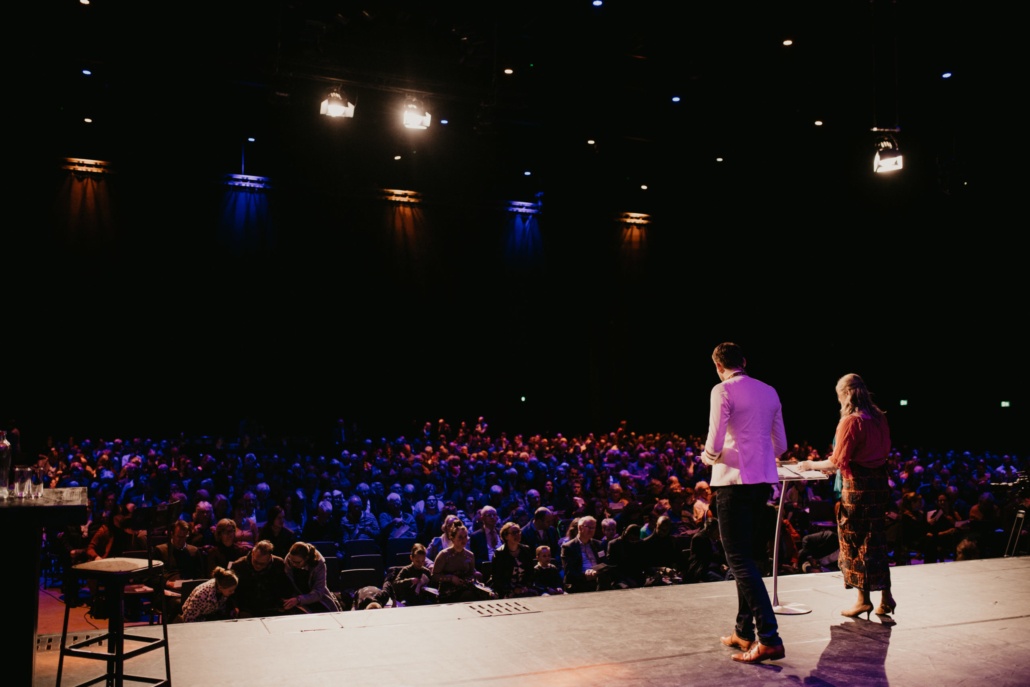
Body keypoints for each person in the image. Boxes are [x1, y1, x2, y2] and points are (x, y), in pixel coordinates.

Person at [701, 342, 787, 664]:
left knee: (738, 560)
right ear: (744, 362)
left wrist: (707, 457)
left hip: (733, 482)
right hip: (762, 483)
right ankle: (743, 631)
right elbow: (781, 444)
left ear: (718, 366)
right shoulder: (769, 391)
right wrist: (758, 455)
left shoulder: (722, 390)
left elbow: (714, 442)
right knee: (748, 558)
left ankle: (770, 638)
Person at [800, 373, 896, 620]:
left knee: (856, 540)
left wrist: (809, 465)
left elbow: (836, 462)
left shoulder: (851, 421)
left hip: (858, 488)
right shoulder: (879, 417)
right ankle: (886, 597)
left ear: (845, 394)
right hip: (878, 485)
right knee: (877, 540)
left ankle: (863, 600)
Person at [230, 539, 295, 618]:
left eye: (262, 564)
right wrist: (236, 607)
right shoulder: (238, 566)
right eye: (256, 562)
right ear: (252, 553)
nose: (258, 566)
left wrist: (283, 604)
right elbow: (232, 592)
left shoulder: (278, 564)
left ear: (269, 558)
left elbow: (286, 587)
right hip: (247, 609)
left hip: (273, 608)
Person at [282, 541, 342, 613]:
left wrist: (299, 600)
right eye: (292, 561)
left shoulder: (318, 563)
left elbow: (319, 591)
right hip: (296, 598)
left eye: (297, 562)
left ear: (306, 558)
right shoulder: (289, 560)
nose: (294, 564)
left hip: (316, 598)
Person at [490, 521, 538, 598]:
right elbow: (498, 578)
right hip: (506, 590)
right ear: (506, 536)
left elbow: (530, 573)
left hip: (524, 588)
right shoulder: (500, 553)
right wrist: (513, 589)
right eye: (514, 533)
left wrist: (525, 586)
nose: (517, 535)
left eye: (518, 532)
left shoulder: (526, 550)